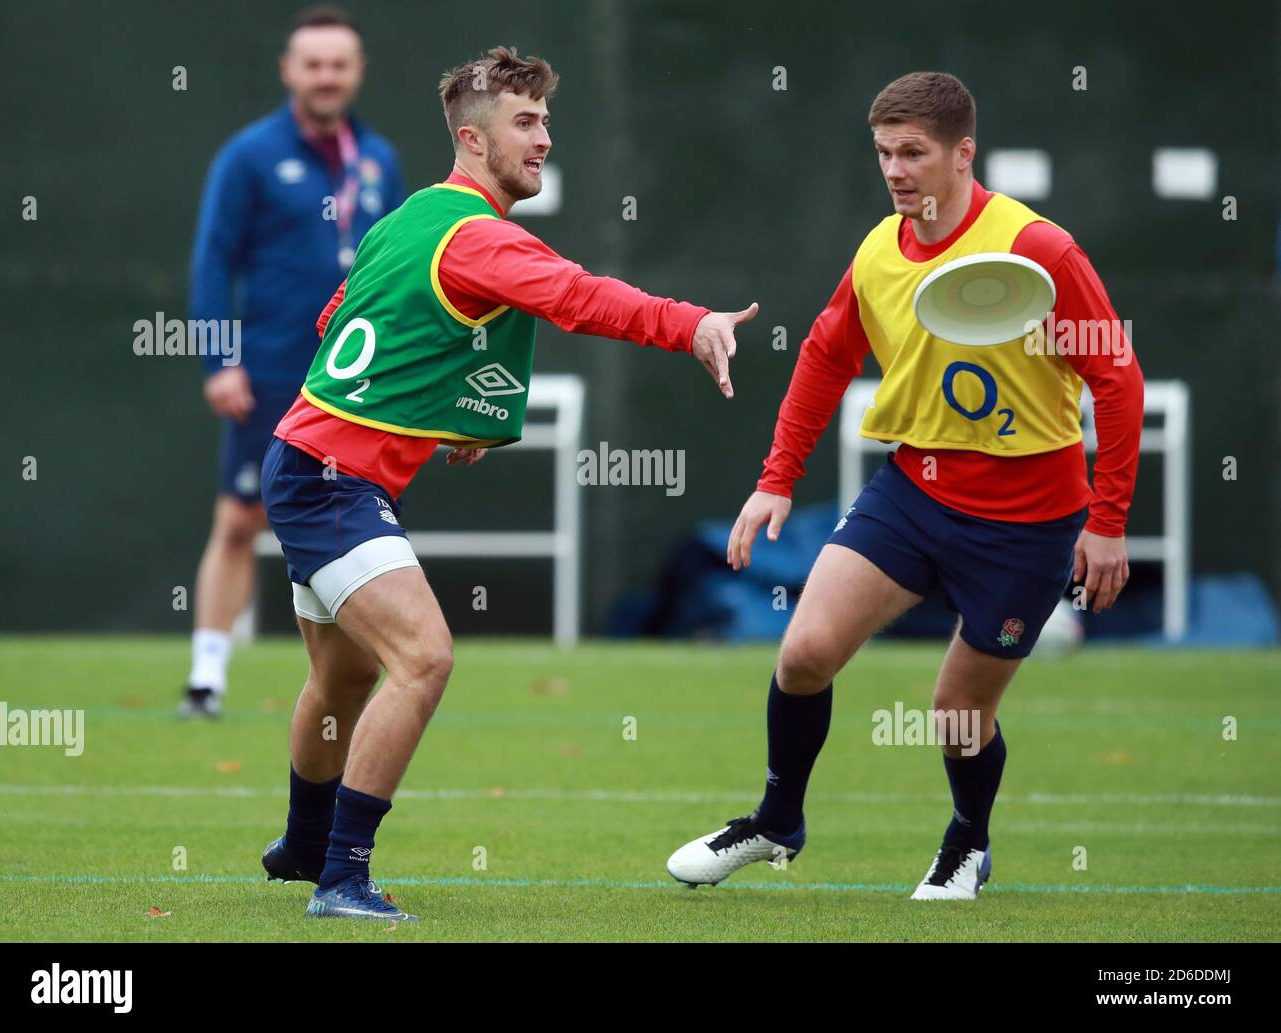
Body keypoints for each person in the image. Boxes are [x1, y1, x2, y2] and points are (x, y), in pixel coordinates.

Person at [258, 46, 758, 921]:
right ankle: (342, 876)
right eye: (525, 123)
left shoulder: (410, 216)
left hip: (309, 463)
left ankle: (303, 844)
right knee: (424, 659)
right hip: (333, 483)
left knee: (340, 683)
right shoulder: (482, 236)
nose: (544, 138)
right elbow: (578, 297)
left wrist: (440, 404)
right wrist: (690, 325)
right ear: (472, 138)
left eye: (547, 121)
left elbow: (340, 317)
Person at [666, 71, 1143, 900]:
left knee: (957, 713)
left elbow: (1118, 378)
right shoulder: (880, 249)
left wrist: (1106, 522)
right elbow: (824, 357)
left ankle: (968, 841)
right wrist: (775, 479)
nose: (894, 169)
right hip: (913, 492)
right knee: (805, 652)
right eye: (884, 152)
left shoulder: (1038, 249)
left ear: (964, 154)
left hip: (1028, 520)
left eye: (913, 152)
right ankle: (778, 820)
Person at [182, 5, 404, 717]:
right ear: (288, 71)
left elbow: (406, 267)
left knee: (358, 517)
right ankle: (207, 677)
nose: (327, 77)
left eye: (339, 64)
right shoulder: (248, 155)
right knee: (241, 518)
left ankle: (352, 677)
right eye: (313, 64)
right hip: (273, 368)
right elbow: (213, 260)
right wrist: (219, 358)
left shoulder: (379, 160)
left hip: (356, 376)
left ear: (359, 71)